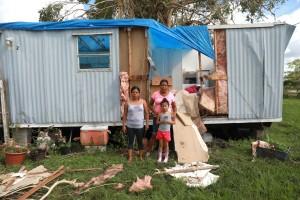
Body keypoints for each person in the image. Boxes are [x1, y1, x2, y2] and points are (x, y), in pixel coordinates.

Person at [147, 79, 176, 156]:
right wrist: (154, 112)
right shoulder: (155, 94)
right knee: (154, 134)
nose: (163, 86)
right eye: (162, 85)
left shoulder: (171, 95)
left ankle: (164, 152)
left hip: (167, 119)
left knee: (165, 135)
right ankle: (148, 151)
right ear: (160, 86)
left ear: (167, 86)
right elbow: (149, 104)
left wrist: (173, 115)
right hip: (157, 117)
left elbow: (174, 107)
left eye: (165, 85)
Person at [122, 86, 149, 162]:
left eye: (136, 92)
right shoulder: (127, 102)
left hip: (140, 126)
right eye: (133, 92)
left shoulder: (143, 101)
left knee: (140, 141)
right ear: (131, 93)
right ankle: (130, 157)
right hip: (130, 125)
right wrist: (123, 125)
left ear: (139, 93)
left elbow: (146, 113)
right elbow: (125, 114)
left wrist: (147, 124)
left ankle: (140, 157)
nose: (135, 94)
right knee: (130, 142)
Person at [156, 98, 175, 163]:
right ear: (161, 107)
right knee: (160, 145)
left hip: (167, 131)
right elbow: (157, 122)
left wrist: (169, 122)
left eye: (165, 106)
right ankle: (160, 157)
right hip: (160, 131)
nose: (164, 107)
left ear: (168, 106)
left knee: (166, 145)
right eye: (162, 106)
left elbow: (174, 122)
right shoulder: (160, 114)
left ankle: (166, 157)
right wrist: (161, 122)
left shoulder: (170, 113)